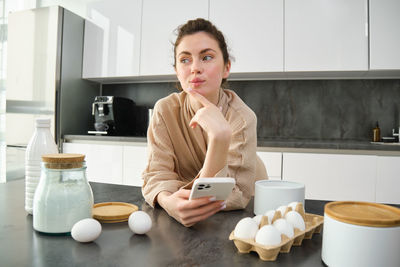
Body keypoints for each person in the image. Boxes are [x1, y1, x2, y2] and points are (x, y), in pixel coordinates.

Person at [142, 18, 267, 227]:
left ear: (226, 68)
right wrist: (167, 200)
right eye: (184, 60)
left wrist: (219, 138)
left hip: (240, 217)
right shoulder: (164, 111)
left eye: (206, 57)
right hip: (183, 212)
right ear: (176, 70)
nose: (194, 68)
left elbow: (235, 195)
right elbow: (156, 174)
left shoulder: (242, 118)